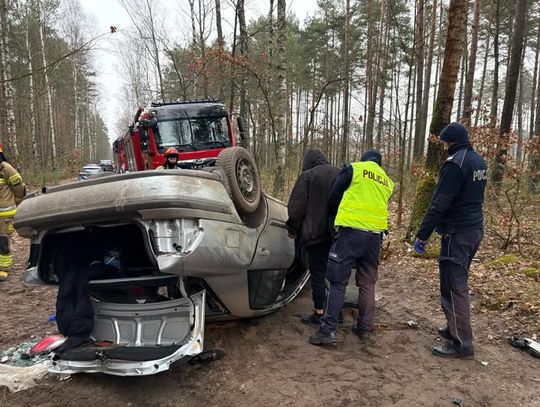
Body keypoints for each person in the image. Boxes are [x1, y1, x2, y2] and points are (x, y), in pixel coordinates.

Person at [413, 122, 487, 360]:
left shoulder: (455, 165)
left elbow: (440, 203)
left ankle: (462, 344)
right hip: (474, 229)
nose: (443, 147)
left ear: (450, 142)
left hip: (457, 232)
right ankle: (452, 327)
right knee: (452, 280)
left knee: (455, 286)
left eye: (444, 143)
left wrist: (422, 235)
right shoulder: (479, 162)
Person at [309, 150, 394, 345]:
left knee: (337, 281)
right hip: (375, 237)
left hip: (351, 233)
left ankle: (328, 330)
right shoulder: (387, 182)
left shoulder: (353, 169)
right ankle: (364, 327)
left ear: (364, 160)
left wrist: (336, 218)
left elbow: (334, 196)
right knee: (367, 283)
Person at [286, 148, 339, 324]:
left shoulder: (308, 176)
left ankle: (320, 311)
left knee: (318, 272)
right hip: (338, 233)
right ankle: (335, 311)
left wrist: (292, 228)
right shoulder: (340, 173)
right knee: (336, 274)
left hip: (315, 234)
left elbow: (296, 206)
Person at [0, 147, 26, 281]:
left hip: (4, 215)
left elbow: (19, 187)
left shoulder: (5, 169)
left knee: (3, 241)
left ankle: (3, 268)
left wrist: (17, 201)